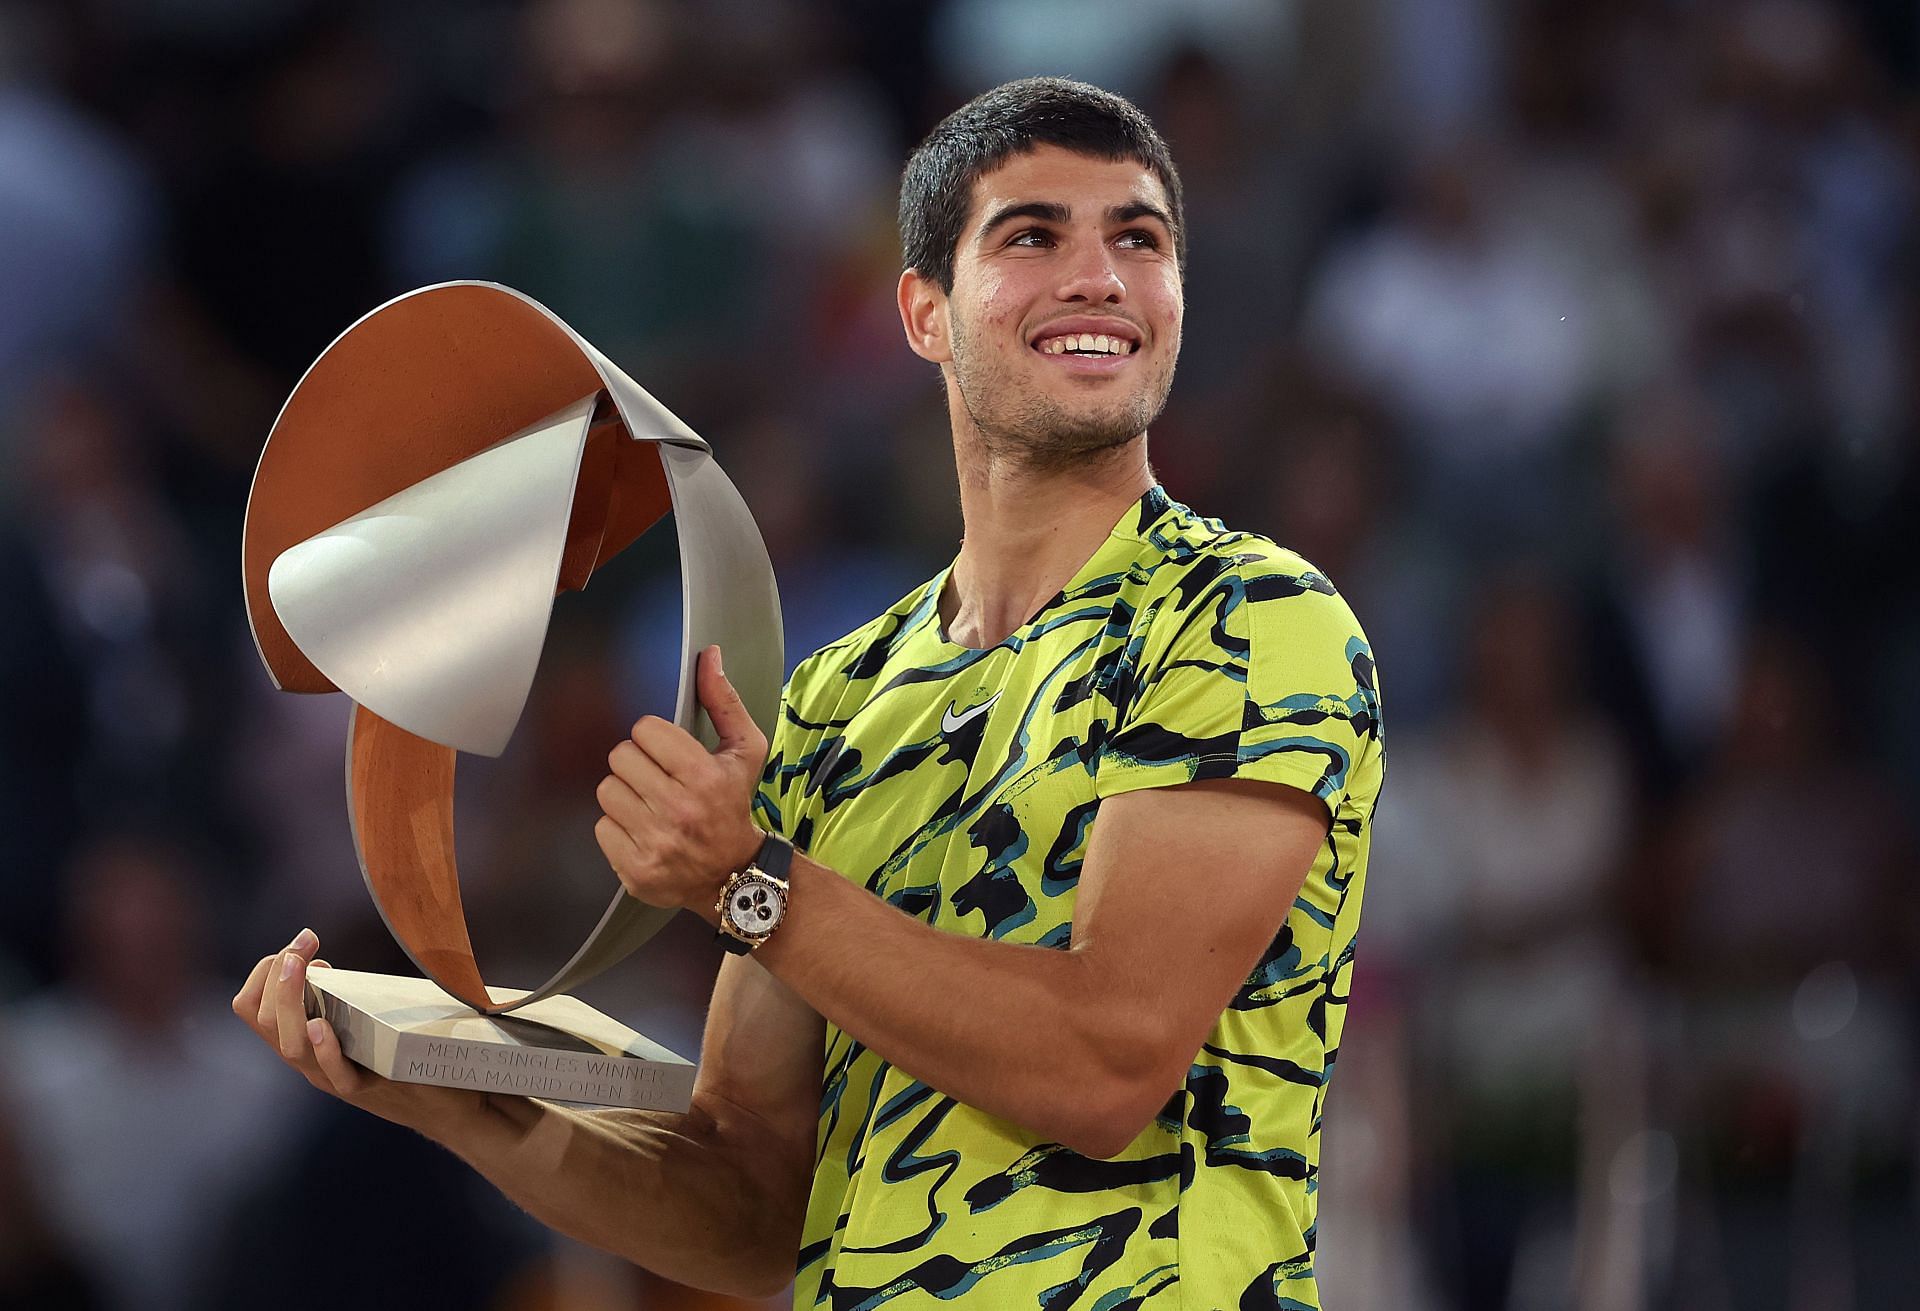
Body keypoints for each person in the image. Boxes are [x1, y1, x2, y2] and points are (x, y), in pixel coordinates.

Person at [236, 76, 1385, 1310]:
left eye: (1138, 238)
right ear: (924, 312)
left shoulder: (1251, 617)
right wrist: (459, 1105)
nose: (1099, 276)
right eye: (1034, 235)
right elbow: (748, 1204)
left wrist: (750, 882)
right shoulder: (839, 696)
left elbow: (1104, 1069)